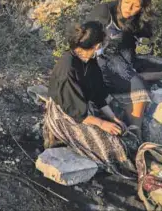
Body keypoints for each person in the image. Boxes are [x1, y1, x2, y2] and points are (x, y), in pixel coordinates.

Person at [43, 21, 138, 176]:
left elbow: (98, 93)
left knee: (119, 128)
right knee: (109, 143)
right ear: (97, 45)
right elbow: (76, 112)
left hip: (83, 106)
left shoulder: (89, 61)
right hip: (66, 114)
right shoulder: (68, 68)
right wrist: (101, 123)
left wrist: (113, 118)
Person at [87, 0, 162, 140]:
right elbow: (86, 41)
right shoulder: (104, 11)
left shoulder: (140, 18)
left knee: (142, 81)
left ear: (143, 7)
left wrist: (144, 43)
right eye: (126, 2)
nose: (129, 8)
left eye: (136, 6)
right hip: (98, 57)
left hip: (121, 57)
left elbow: (143, 41)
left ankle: (135, 132)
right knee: (134, 79)